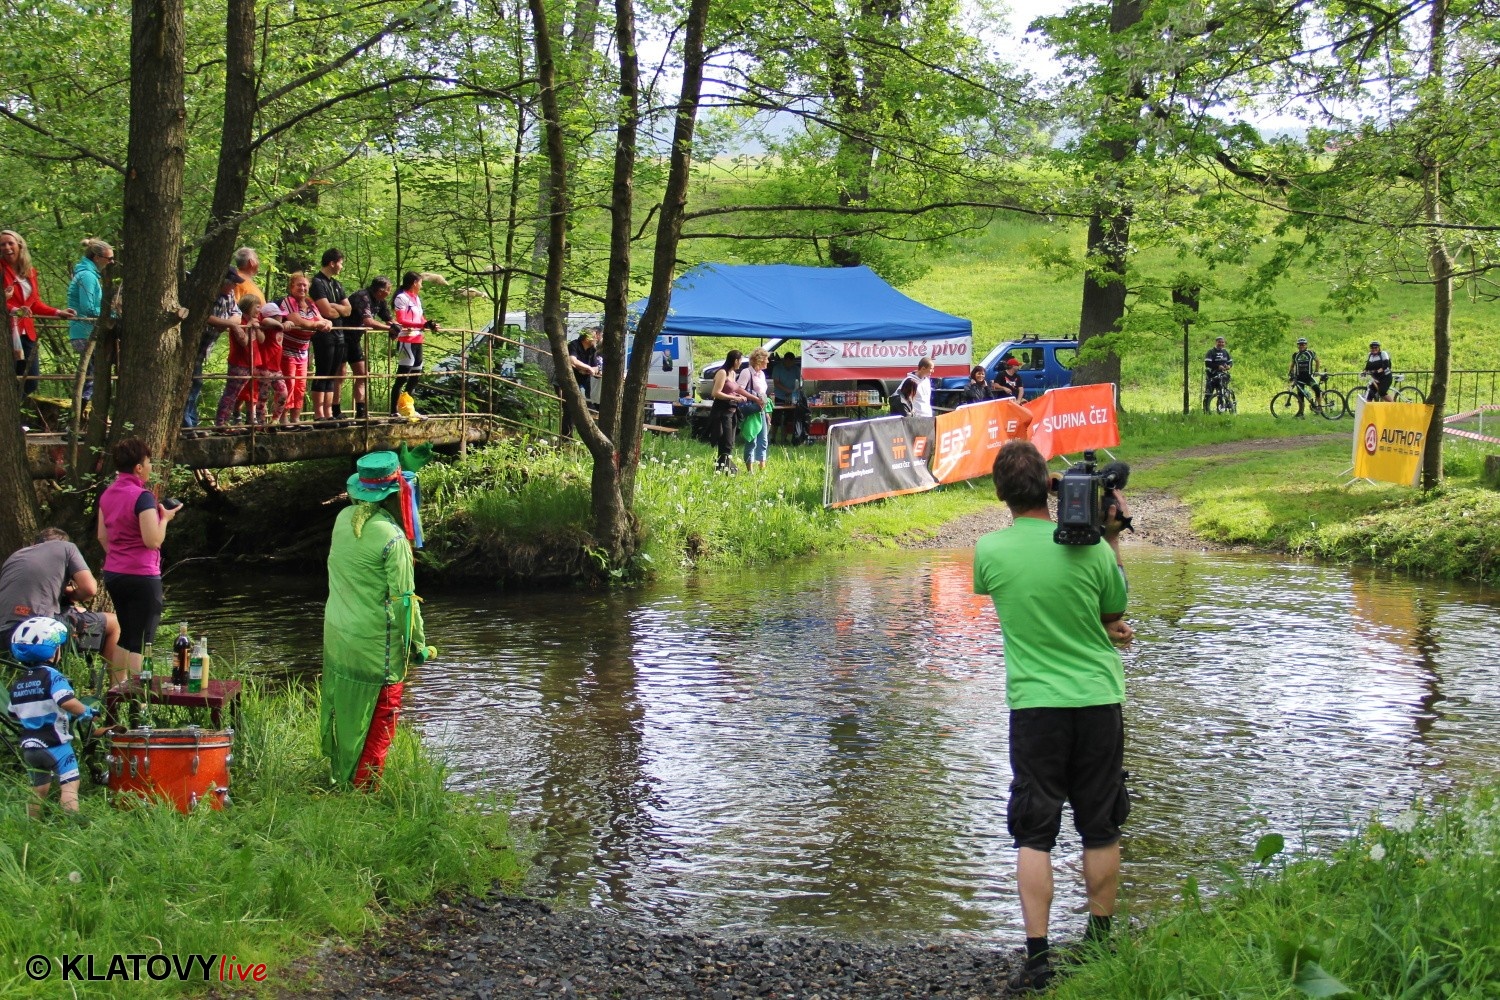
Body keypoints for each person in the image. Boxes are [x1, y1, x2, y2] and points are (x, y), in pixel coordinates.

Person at [972, 440, 1133, 993]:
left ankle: (1038, 958)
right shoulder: (1093, 550)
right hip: (1097, 701)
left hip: (1035, 706)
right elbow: (1114, 611)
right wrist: (1112, 536)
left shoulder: (989, 552)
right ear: (1049, 485)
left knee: (1034, 832)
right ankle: (1100, 942)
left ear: (1000, 493)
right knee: (1101, 824)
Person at [321, 450, 435, 789]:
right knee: (381, 717)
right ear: (396, 494)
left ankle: (341, 777)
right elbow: (404, 602)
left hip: (338, 638)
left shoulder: (342, 519)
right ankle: (363, 791)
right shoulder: (392, 539)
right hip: (375, 648)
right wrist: (418, 645)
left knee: (347, 713)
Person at [0, 527, 128, 683]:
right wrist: (72, 594)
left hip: (5, 634)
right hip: (38, 633)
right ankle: (118, 689)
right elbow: (90, 589)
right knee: (114, 623)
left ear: (35, 543)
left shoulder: (15, 556)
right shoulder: (67, 548)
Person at [97, 437, 178, 674]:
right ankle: (138, 695)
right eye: (149, 462)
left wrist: (120, 558)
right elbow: (153, 540)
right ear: (139, 467)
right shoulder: (143, 497)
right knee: (142, 641)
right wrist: (165, 519)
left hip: (114, 574)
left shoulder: (107, 494)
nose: (151, 467)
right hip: (142, 575)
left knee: (126, 636)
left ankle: (117, 689)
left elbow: (102, 537)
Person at [6, 617, 97, 820]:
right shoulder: (53, 676)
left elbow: (13, 714)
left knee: (38, 788)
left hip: (30, 747)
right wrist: (86, 711)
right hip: (55, 744)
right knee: (70, 784)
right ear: (53, 651)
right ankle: (71, 824)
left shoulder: (19, 683)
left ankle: (33, 824)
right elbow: (66, 701)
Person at [2, 230, 77, 398]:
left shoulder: (30, 272)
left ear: (19, 245)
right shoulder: (1, 269)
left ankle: (11, 411)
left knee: (31, 380)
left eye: (10, 243)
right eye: (2, 244)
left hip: (26, 332)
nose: (6, 247)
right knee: (7, 379)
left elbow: (34, 303)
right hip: (7, 331)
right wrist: (14, 310)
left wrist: (58, 312)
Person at [184, 270, 245, 428]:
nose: (235, 286)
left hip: (203, 349)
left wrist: (228, 323)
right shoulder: (204, 292)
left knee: (196, 384)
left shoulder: (229, 295)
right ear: (222, 281)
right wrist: (229, 324)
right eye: (232, 283)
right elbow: (204, 316)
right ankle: (187, 426)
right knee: (191, 385)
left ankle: (191, 425)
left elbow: (237, 314)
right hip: (189, 347)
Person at [216, 293, 282, 428]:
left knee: (252, 394)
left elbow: (261, 340)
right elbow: (244, 342)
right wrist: (249, 326)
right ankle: (221, 423)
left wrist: (257, 328)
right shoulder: (240, 322)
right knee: (231, 394)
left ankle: (251, 422)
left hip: (252, 363)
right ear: (248, 307)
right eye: (257, 307)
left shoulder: (255, 321)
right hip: (239, 363)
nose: (259, 310)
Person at [278, 272, 332, 425]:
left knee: (300, 386)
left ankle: (295, 419)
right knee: (289, 384)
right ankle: (283, 419)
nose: (302, 288)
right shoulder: (288, 301)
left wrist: (328, 323)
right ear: (292, 287)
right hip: (287, 351)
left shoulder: (310, 303)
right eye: (299, 285)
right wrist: (316, 325)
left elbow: (322, 319)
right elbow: (298, 321)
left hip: (303, 352)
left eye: (305, 285)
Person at [342, 278, 396, 422]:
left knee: (362, 374)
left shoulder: (380, 301)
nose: (389, 293)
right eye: (388, 290)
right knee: (339, 375)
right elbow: (368, 321)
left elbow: (388, 318)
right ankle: (334, 411)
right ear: (380, 290)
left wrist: (396, 327)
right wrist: (389, 329)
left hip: (355, 340)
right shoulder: (363, 297)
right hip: (342, 337)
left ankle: (361, 412)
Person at [66, 239, 114, 404]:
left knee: (92, 377)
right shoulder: (87, 276)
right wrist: (112, 314)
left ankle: (82, 413)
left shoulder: (89, 274)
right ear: (97, 258)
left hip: (86, 331)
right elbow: (88, 308)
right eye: (109, 258)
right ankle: (79, 415)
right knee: (91, 379)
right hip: (84, 333)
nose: (111, 262)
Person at [310, 248, 352, 421]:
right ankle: (319, 414)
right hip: (324, 334)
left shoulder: (337, 284)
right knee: (323, 372)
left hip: (339, 333)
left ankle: (328, 413)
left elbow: (348, 310)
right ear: (332, 263)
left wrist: (334, 307)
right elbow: (326, 311)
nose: (342, 267)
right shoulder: (317, 282)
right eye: (340, 263)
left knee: (333, 374)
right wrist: (336, 309)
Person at [390, 271, 436, 417]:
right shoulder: (401, 297)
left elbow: (420, 318)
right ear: (415, 283)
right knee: (402, 377)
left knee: (415, 376)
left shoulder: (416, 298)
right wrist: (422, 325)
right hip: (406, 340)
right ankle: (393, 411)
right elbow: (401, 320)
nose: (421, 286)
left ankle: (407, 407)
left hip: (418, 339)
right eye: (420, 283)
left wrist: (429, 324)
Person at [708, 348, 748, 473]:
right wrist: (734, 398)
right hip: (721, 411)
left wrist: (738, 396)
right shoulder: (722, 373)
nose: (740, 363)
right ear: (736, 360)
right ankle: (725, 467)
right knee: (726, 440)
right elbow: (715, 393)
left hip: (732, 410)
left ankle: (722, 466)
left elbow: (731, 390)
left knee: (730, 441)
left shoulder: (733, 373)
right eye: (740, 360)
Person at [558, 327, 602, 439]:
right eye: (594, 337)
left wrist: (585, 369)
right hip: (568, 380)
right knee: (569, 408)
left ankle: (597, 433)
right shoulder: (574, 345)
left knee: (596, 402)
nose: (596, 339)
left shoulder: (592, 349)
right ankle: (566, 437)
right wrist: (587, 368)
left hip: (584, 379)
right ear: (587, 338)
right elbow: (572, 360)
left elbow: (596, 367)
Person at [250, 301, 289, 424]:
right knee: (263, 397)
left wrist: (286, 323)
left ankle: (275, 419)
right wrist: (280, 324)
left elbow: (291, 323)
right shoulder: (267, 325)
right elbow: (266, 321)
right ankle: (261, 424)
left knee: (283, 393)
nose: (282, 317)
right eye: (279, 316)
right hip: (264, 368)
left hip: (276, 369)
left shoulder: (279, 326)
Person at [737, 347, 771, 473]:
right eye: (766, 359)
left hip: (761, 409)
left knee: (763, 440)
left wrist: (767, 412)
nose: (768, 362)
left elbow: (763, 393)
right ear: (759, 360)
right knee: (752, 440)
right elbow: (739, 389)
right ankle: (750, 471)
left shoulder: (761, 374)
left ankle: (762, 469)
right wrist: (754, 398)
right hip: (751, 409)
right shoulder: (746, 372)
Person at [1288, 336, 1321, 416]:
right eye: (1300, 344)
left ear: (1306, 345)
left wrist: (1316, 371)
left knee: (1317, 389)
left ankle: (1319, 407)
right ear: (1298, 345)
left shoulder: (1311, 353)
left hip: (1308, 377)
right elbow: (1292, 365)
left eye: (1303, 344)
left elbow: (1317, 361)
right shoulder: (1295, 355)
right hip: (1299, 378)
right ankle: (1301, 413)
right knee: (1300, 396)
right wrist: (1290, 373)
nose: (1301, 346)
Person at [1203, 335, 1233, 412]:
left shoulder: (1225, 352)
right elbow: (1207, 363)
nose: (1221, 344)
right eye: (1219, 342)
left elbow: (1230, 362)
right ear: (1216, 342)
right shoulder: (1211, 352)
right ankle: (1206, 411)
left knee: (1221, 394)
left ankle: (1220, 410)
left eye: (1222, 342)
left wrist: (1229, 366)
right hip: (1212, 376)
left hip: (1222, 376)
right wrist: (1218, 367)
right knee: (1208, 394)